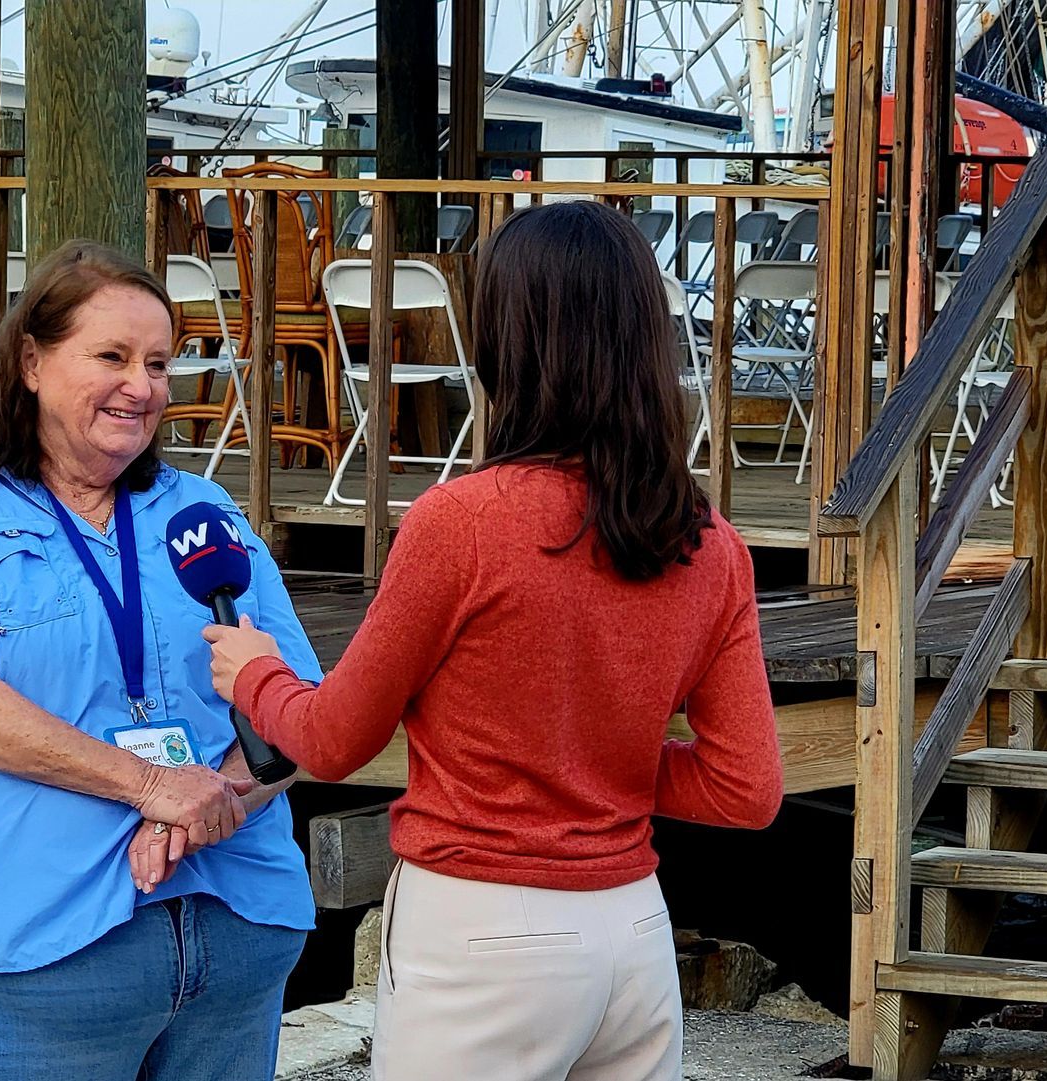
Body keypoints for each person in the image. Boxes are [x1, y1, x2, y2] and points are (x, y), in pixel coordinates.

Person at [204, 200, 784, 1081]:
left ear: (504, 342)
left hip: (482, 930)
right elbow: (748, 791)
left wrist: (256, 676)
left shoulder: (461, 523)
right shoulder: (709, 542)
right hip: (632, 928)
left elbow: (333, 738)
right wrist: (602, 760)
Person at [0, 240, 321, 1081]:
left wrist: (211, 800)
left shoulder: (202, 508)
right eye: (111, 356)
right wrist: (151, 786)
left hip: (235, 933)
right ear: (31, 361)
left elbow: (296, 712)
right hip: (41, 960)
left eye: (159, 362)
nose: (142, 387)